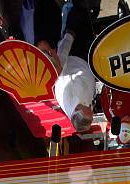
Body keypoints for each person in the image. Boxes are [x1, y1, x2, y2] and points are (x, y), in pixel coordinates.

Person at [53, 4, 96, 132]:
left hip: (74, 51)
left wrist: (68, 37)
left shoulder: (65, 95)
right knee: (86, 18)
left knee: (76, 12)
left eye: (88, 110)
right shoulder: (81, 108)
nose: (90, 108)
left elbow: (60, 64)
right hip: (86, 58)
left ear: (77, 111)